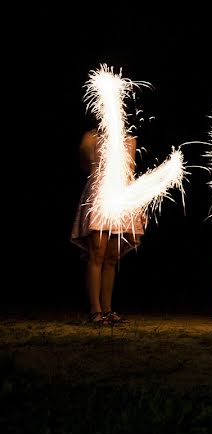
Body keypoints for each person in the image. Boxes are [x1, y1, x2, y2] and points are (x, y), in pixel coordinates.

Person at [71, 129, 146, 325]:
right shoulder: (90, 137)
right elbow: (85, 167)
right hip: (100, 196)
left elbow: (129, 172)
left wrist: (136, 206)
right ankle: (95, 309)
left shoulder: (130, 140)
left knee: (112, 256)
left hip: (121, 197)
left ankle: (107, 308)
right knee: (97, 252)